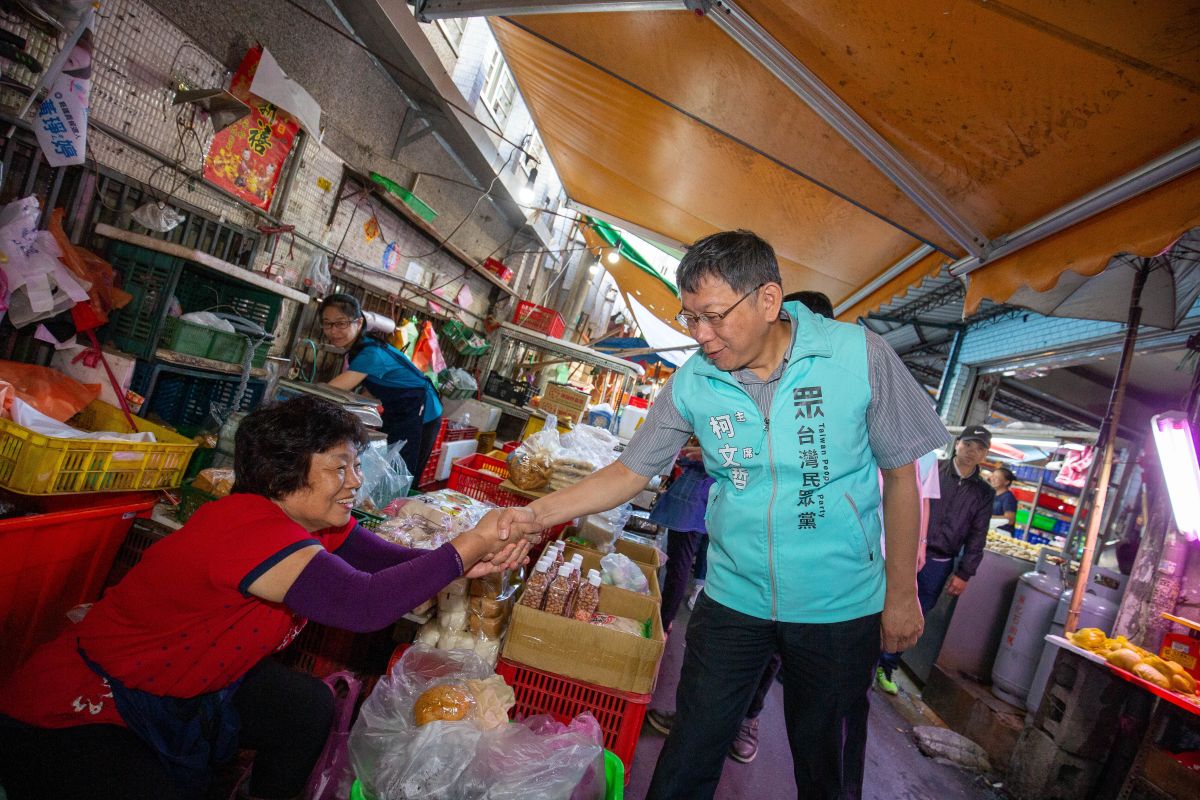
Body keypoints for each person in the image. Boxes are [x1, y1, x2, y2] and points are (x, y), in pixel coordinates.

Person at [497, 230, 948, 799]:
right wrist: (534, 514)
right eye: (690, 319)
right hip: (735, 596)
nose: (701, 337)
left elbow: (902, 474)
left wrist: (902, 590)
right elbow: (628, 472)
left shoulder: (857, 355)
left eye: (713, 317)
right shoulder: (696, 381)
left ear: (767, 299)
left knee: (827, 766)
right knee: (689, 752)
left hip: (839, 603)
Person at [0, 396, 532, 800]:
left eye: (355, 466)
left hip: (187, 685)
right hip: (85, 709)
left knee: (304, 706)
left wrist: (463, 563)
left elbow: (386, 567)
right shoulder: (248, 531)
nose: (356, 482)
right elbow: (362, 605)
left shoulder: (313, 520)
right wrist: (467, 546)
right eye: (339, 467)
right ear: (286, 472)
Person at [877, 426, 995, 688]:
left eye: (978, 448)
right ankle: (866, 659)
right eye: (967, 444)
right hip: (905, 549)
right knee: (883, 601)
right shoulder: (932, 469)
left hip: (939, 562)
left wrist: (965, 573)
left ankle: (886, 666)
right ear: (957, 444)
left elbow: (978, 534)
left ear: (985, 454)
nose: (970, 452)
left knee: (915, 615)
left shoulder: (984, 493)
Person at [319, 293, 443, 480]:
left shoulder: (371, 353)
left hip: (421, 411)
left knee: (402, 472)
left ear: (359, 323)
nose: (333, 330)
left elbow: (329, 392)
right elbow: (373, 388)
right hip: (402, 409)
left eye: (341, 323)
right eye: (327, 323)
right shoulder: (361, 348)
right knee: (387, 466)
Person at [989, 465, 1018, 533]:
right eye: (992, 476)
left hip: (1002, 533)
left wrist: (987, 516)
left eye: (996, 478)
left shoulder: (1008, 497)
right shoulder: (992, 494)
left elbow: (1010, 520)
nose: (992, 479)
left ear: (1006, 482)